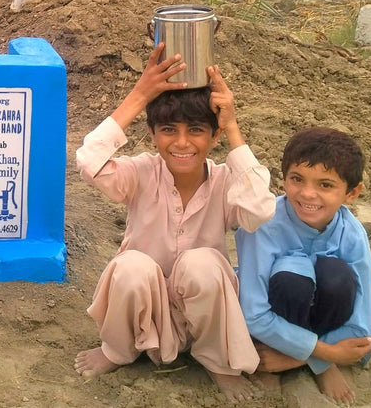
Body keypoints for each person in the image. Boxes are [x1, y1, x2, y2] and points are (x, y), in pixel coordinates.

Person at [73, 44, 276, 401]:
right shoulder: (141, 173)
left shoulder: (227, 181)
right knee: (132, 266)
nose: (182, 143)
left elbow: (259, 210)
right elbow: (90, 162)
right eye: (168, 129)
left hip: (199, 319)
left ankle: (217, 362)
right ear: (153, 135)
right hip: (142, 316)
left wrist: (232, 127)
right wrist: (141, 93)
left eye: (197, 130)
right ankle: (117, 350)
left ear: (213, 137)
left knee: (203, 263)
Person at [236, 127, 371, 405]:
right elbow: (253, 314)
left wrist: (303, 357)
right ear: (283, 178)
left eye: (325, 185)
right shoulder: (262, 223)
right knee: (291, 276)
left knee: (337, 276)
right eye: (297, 179)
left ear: (352, 192)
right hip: (274, 320)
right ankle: (298, 357)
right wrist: (331, 354)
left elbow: (361, 329)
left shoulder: (353, 233)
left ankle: (294, 362)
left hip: (319, 327)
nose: (307, 194)